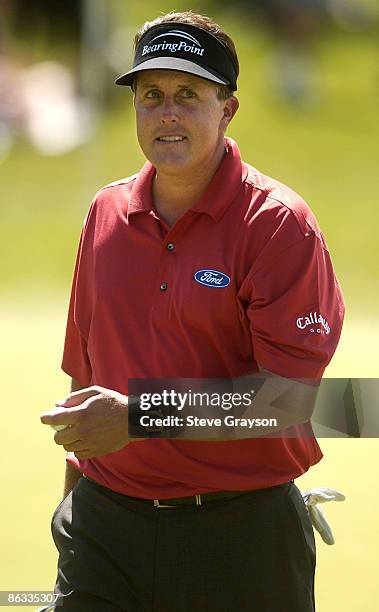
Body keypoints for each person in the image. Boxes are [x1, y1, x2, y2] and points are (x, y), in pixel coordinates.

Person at [40, 10, 345, 612]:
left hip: (239, 532)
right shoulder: (105, 214)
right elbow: (86, 382)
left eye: (188, 94)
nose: (167, 113)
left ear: (227, 108)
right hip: (104, 530)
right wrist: (71, 507)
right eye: (151, 95)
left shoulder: (278, 225)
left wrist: (137, 417)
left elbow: (287, 401)